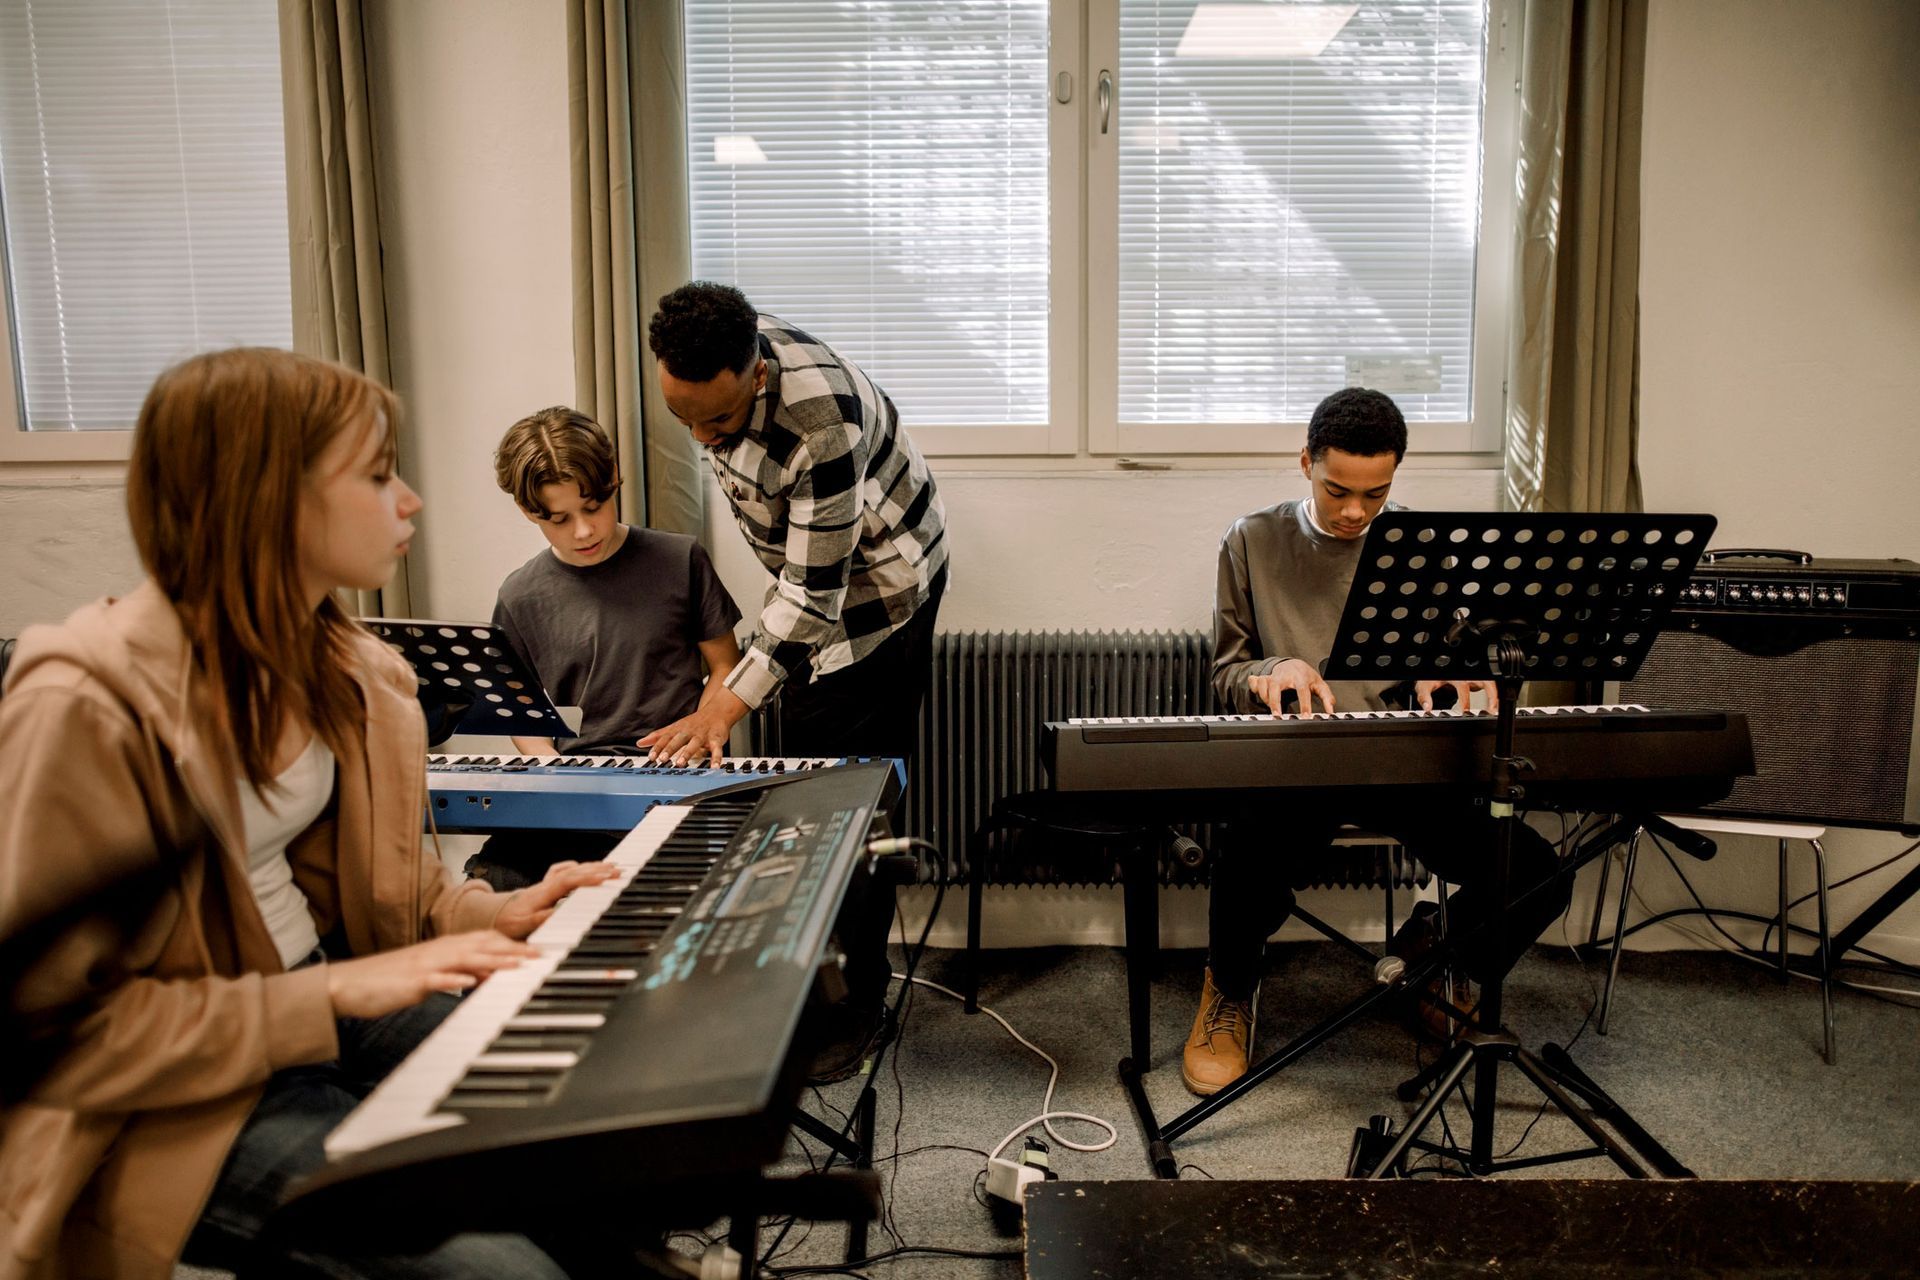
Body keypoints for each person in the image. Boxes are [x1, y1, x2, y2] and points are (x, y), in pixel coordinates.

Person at [0, 349, 616, 1279]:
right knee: (500, 1272)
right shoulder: (84, 703)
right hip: (178, 1096)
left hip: (329, 997)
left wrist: (496, 912)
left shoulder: (349, 672)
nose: (408, 500)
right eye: (375, 475)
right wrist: (324, 995)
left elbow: (396, 899)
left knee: (608, 1139)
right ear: (264, 497)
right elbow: (50, 1035)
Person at [1185, 386, 1573, 1097]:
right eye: (1338, 491)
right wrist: (1272, 671)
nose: (1357, 511)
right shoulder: (1251, 539)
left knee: (1537, 872)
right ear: (1305, 462)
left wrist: (1452, 679)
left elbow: (1453, 660)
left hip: (1406, 760)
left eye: (1376, 493)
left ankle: (1437, 954)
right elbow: (1226, 671)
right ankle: (1229, 992)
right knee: (1244, 857)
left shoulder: (1422, 545)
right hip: (1300, 761)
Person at [643, 281, 950, 1079]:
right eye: (683, 418)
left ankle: (859, 1003)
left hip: (884, 592)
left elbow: (819, 596)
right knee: (801, 784)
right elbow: (801, 587)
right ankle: (806, 977)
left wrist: (725, 701)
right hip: (811, 582)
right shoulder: (715, 340)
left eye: (717, 421)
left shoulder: (820, 423)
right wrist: (750, 681)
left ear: (758, 375)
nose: (703, 440)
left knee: (849, 798)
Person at [464, 406, 743, 890]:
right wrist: (551, 770)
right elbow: (520, 713)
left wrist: (699, 734)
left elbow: (725, 665)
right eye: (558, 519)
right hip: (579, 790)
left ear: (613, 481)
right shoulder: (520, 595)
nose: (583, 531)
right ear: (528, 512)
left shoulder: (680, 559)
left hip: (672, 779)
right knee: (489, 884)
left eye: (592, 508)